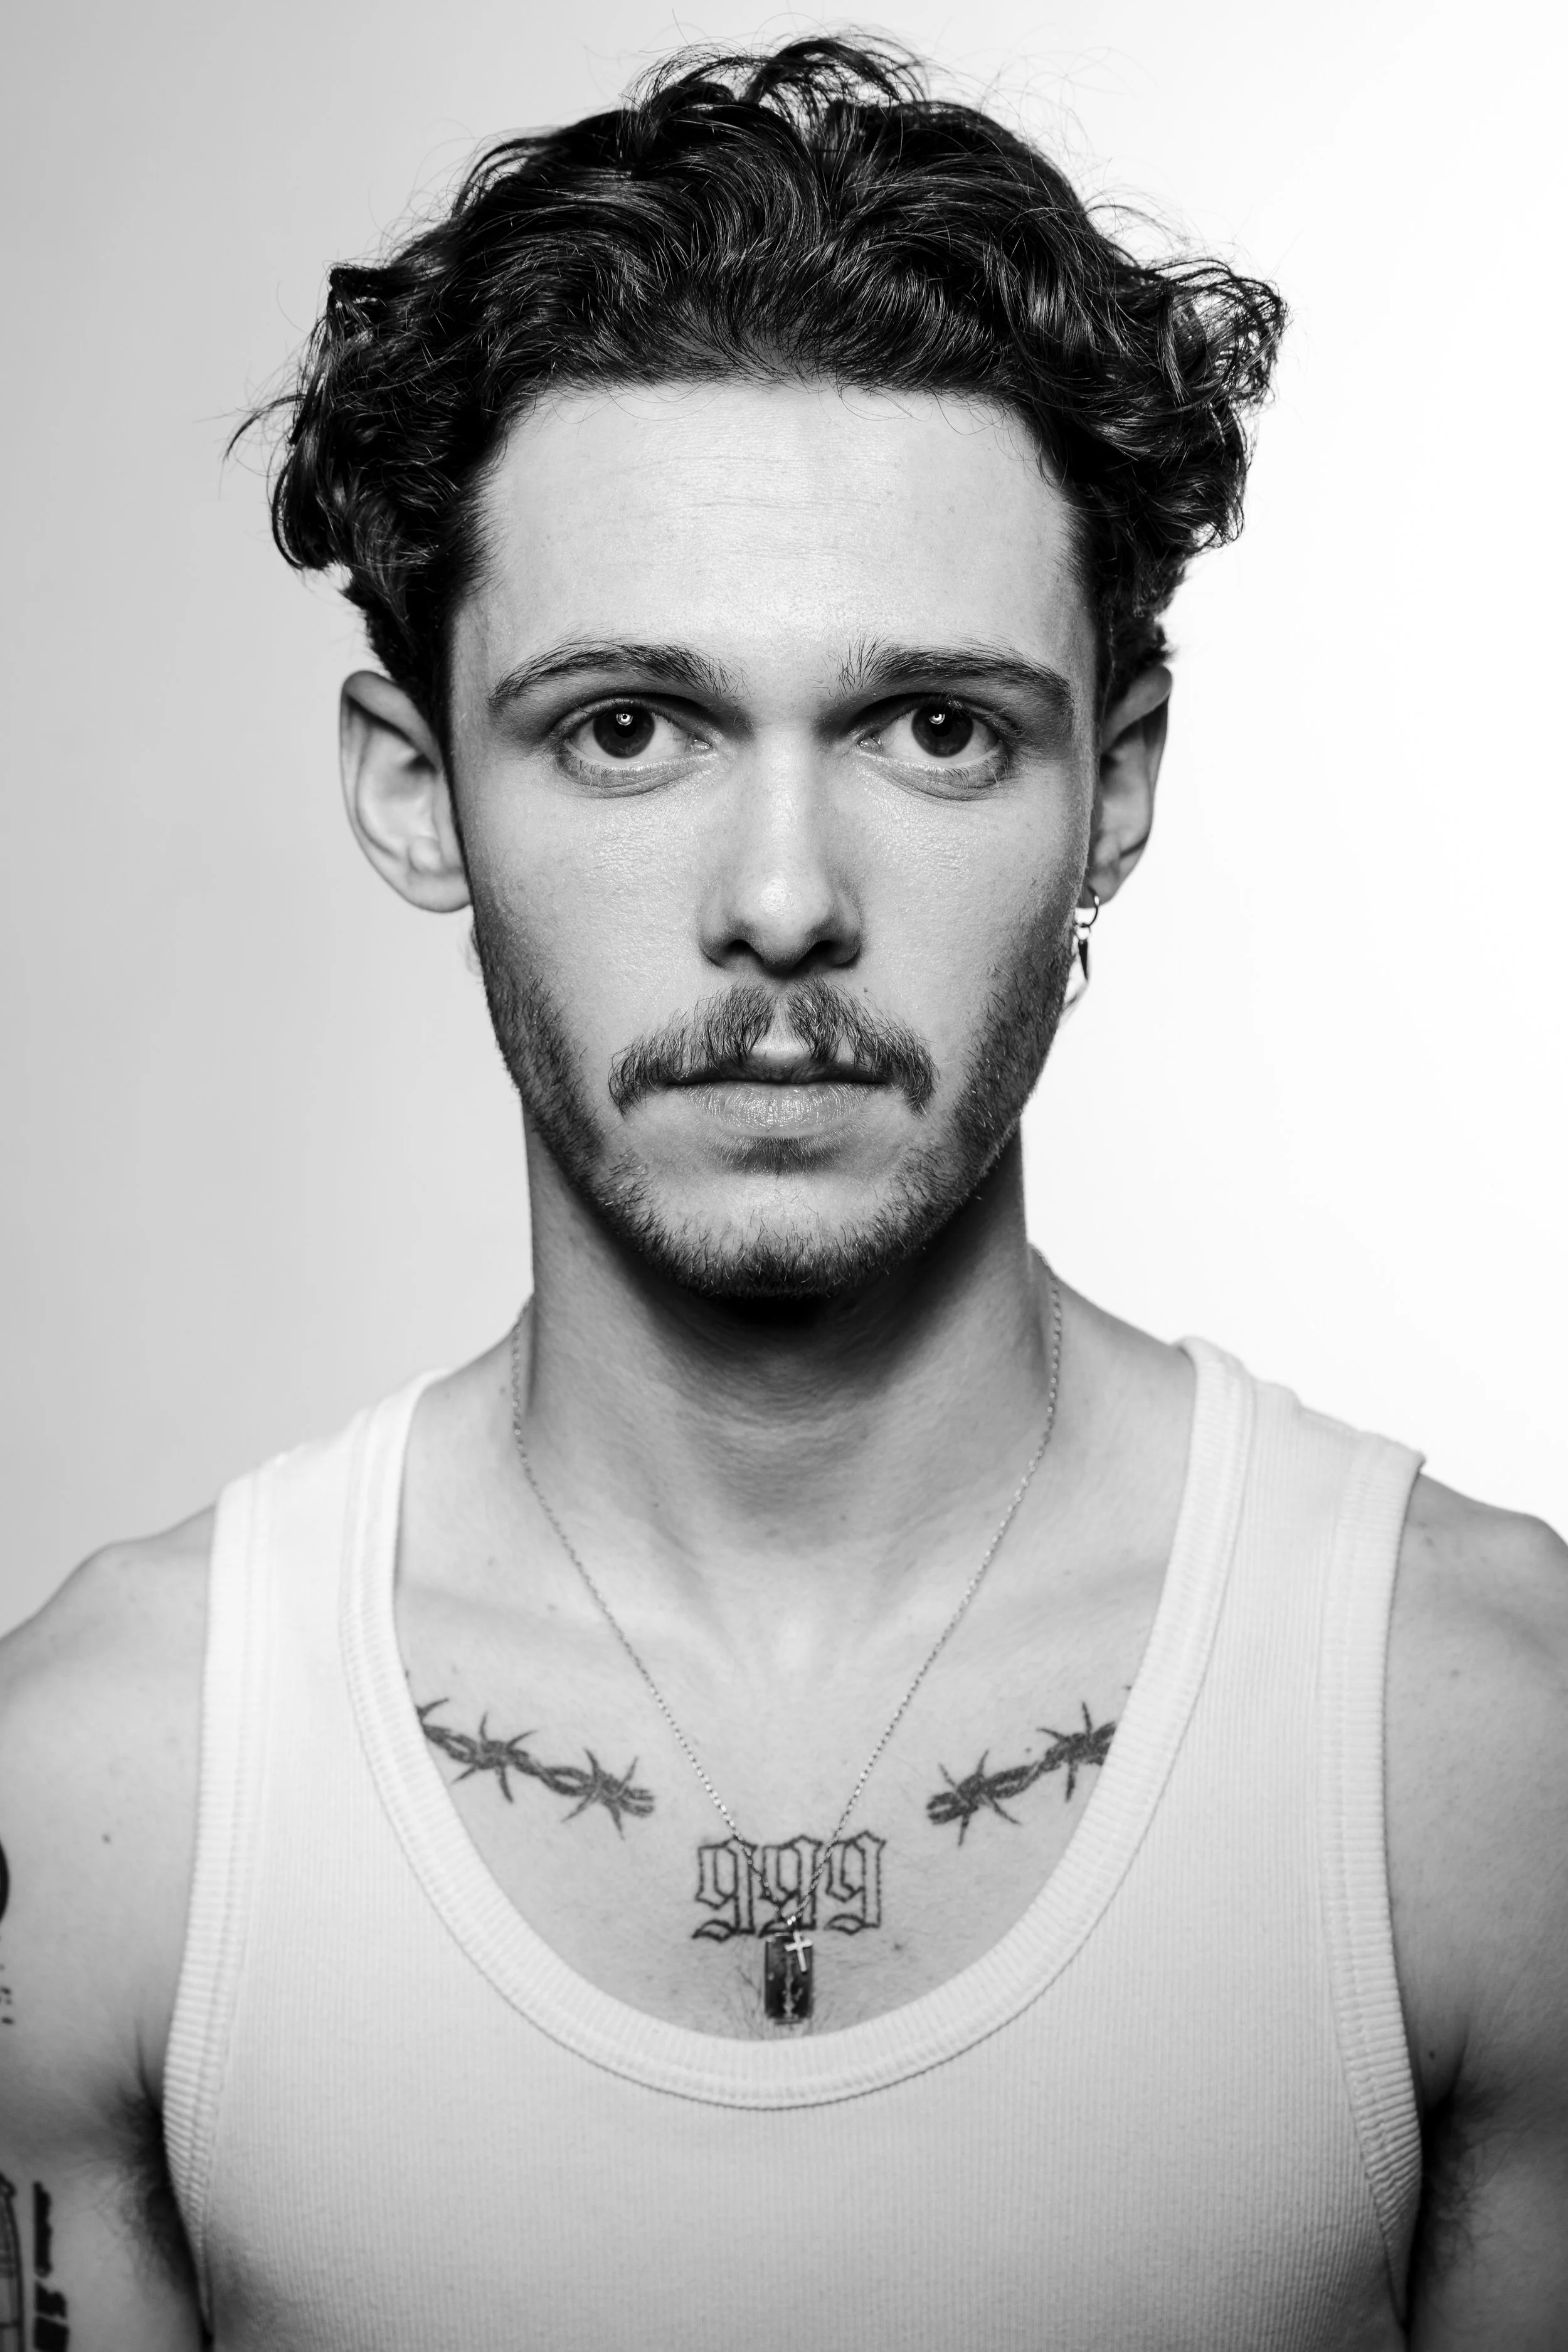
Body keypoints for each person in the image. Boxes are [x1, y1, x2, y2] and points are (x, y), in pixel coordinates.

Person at [1, 36, 1563, 2351]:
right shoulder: (109, 1802)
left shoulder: (1481, 1753)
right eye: (625, 725)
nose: (782, 898)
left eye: (935, 727)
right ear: (417, 790)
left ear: (1112, 788)